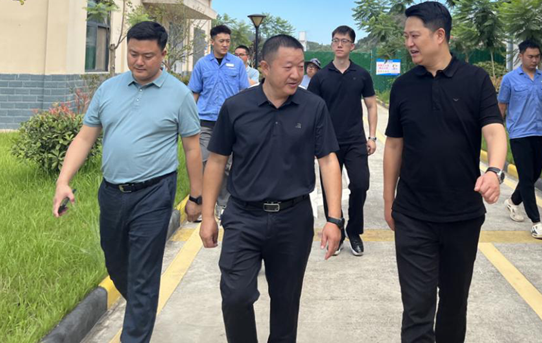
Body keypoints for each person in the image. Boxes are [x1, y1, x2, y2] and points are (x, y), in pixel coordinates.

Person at [52, 21, 203, 343]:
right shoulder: (109, 89)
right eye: (133, 54)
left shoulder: (179, 95)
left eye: (148, 56)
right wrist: (63, 181)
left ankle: (135, 332)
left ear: (163, 54)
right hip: (111, 193)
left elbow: (192, 148)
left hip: (154, 192)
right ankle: (142, 307)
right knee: (117, 264)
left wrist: (196, 197)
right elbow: (85, 138)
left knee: (143, 274)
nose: (139, 61)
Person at [199, 34, 343, 343]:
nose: (296, 74)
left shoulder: (313, 106)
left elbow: (328, 161)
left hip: (293, 218)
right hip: (243, 216)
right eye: (288, 67)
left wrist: (334, 219)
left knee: (286, 302)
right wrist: (208, 214)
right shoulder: (236, 106)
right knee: (235, 295)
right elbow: (216, 161)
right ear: (264, 67)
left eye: (300, 66)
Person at [384, 1, 507, 343]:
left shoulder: (475, 80)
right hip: (413, 213)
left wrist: (494, 171)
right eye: (406, 36)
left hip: (462, 214)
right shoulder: (403, 86)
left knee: (454, 304)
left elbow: (495, 130)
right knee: (417, 307)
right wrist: (388, 199)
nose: (408, 43)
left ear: (439, 35)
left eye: (414, 35)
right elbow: (394, 146)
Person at [308, 26, 378, 256]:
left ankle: (354, 231)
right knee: (331, 189)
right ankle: (336, 230)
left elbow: (371, 105)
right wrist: (313, 141)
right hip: (328, 142)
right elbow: (312, 111)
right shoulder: (320, 77)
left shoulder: (362, 74)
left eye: (344, 41)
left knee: (360, 184)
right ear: (331, 44)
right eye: (336, 40)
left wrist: (372, 136)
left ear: (352, 46)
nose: (339, 44)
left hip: (355, 140)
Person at [498, 39, 542, 239]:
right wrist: (498, 131)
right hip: (519, 134)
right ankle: (536, 222)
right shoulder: (510, 79)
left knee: (533, 175)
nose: (534, 60)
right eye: (530, 56)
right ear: (521, 56)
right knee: (526, 177)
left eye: (537, 56)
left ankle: (513, 201)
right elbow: (502, 106)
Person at [188, 24, 249, 219]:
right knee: (204, 162)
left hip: (230, 122)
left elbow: (244, 92)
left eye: (228, 41)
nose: (225, 44)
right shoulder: (202, 64)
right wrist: (188, 118)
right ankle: (203, 203)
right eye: (221, 41)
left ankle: (223, 204)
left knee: (227, 165)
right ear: (212, 42)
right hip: (205, 121)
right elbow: (194, 92)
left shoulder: (237, 64)